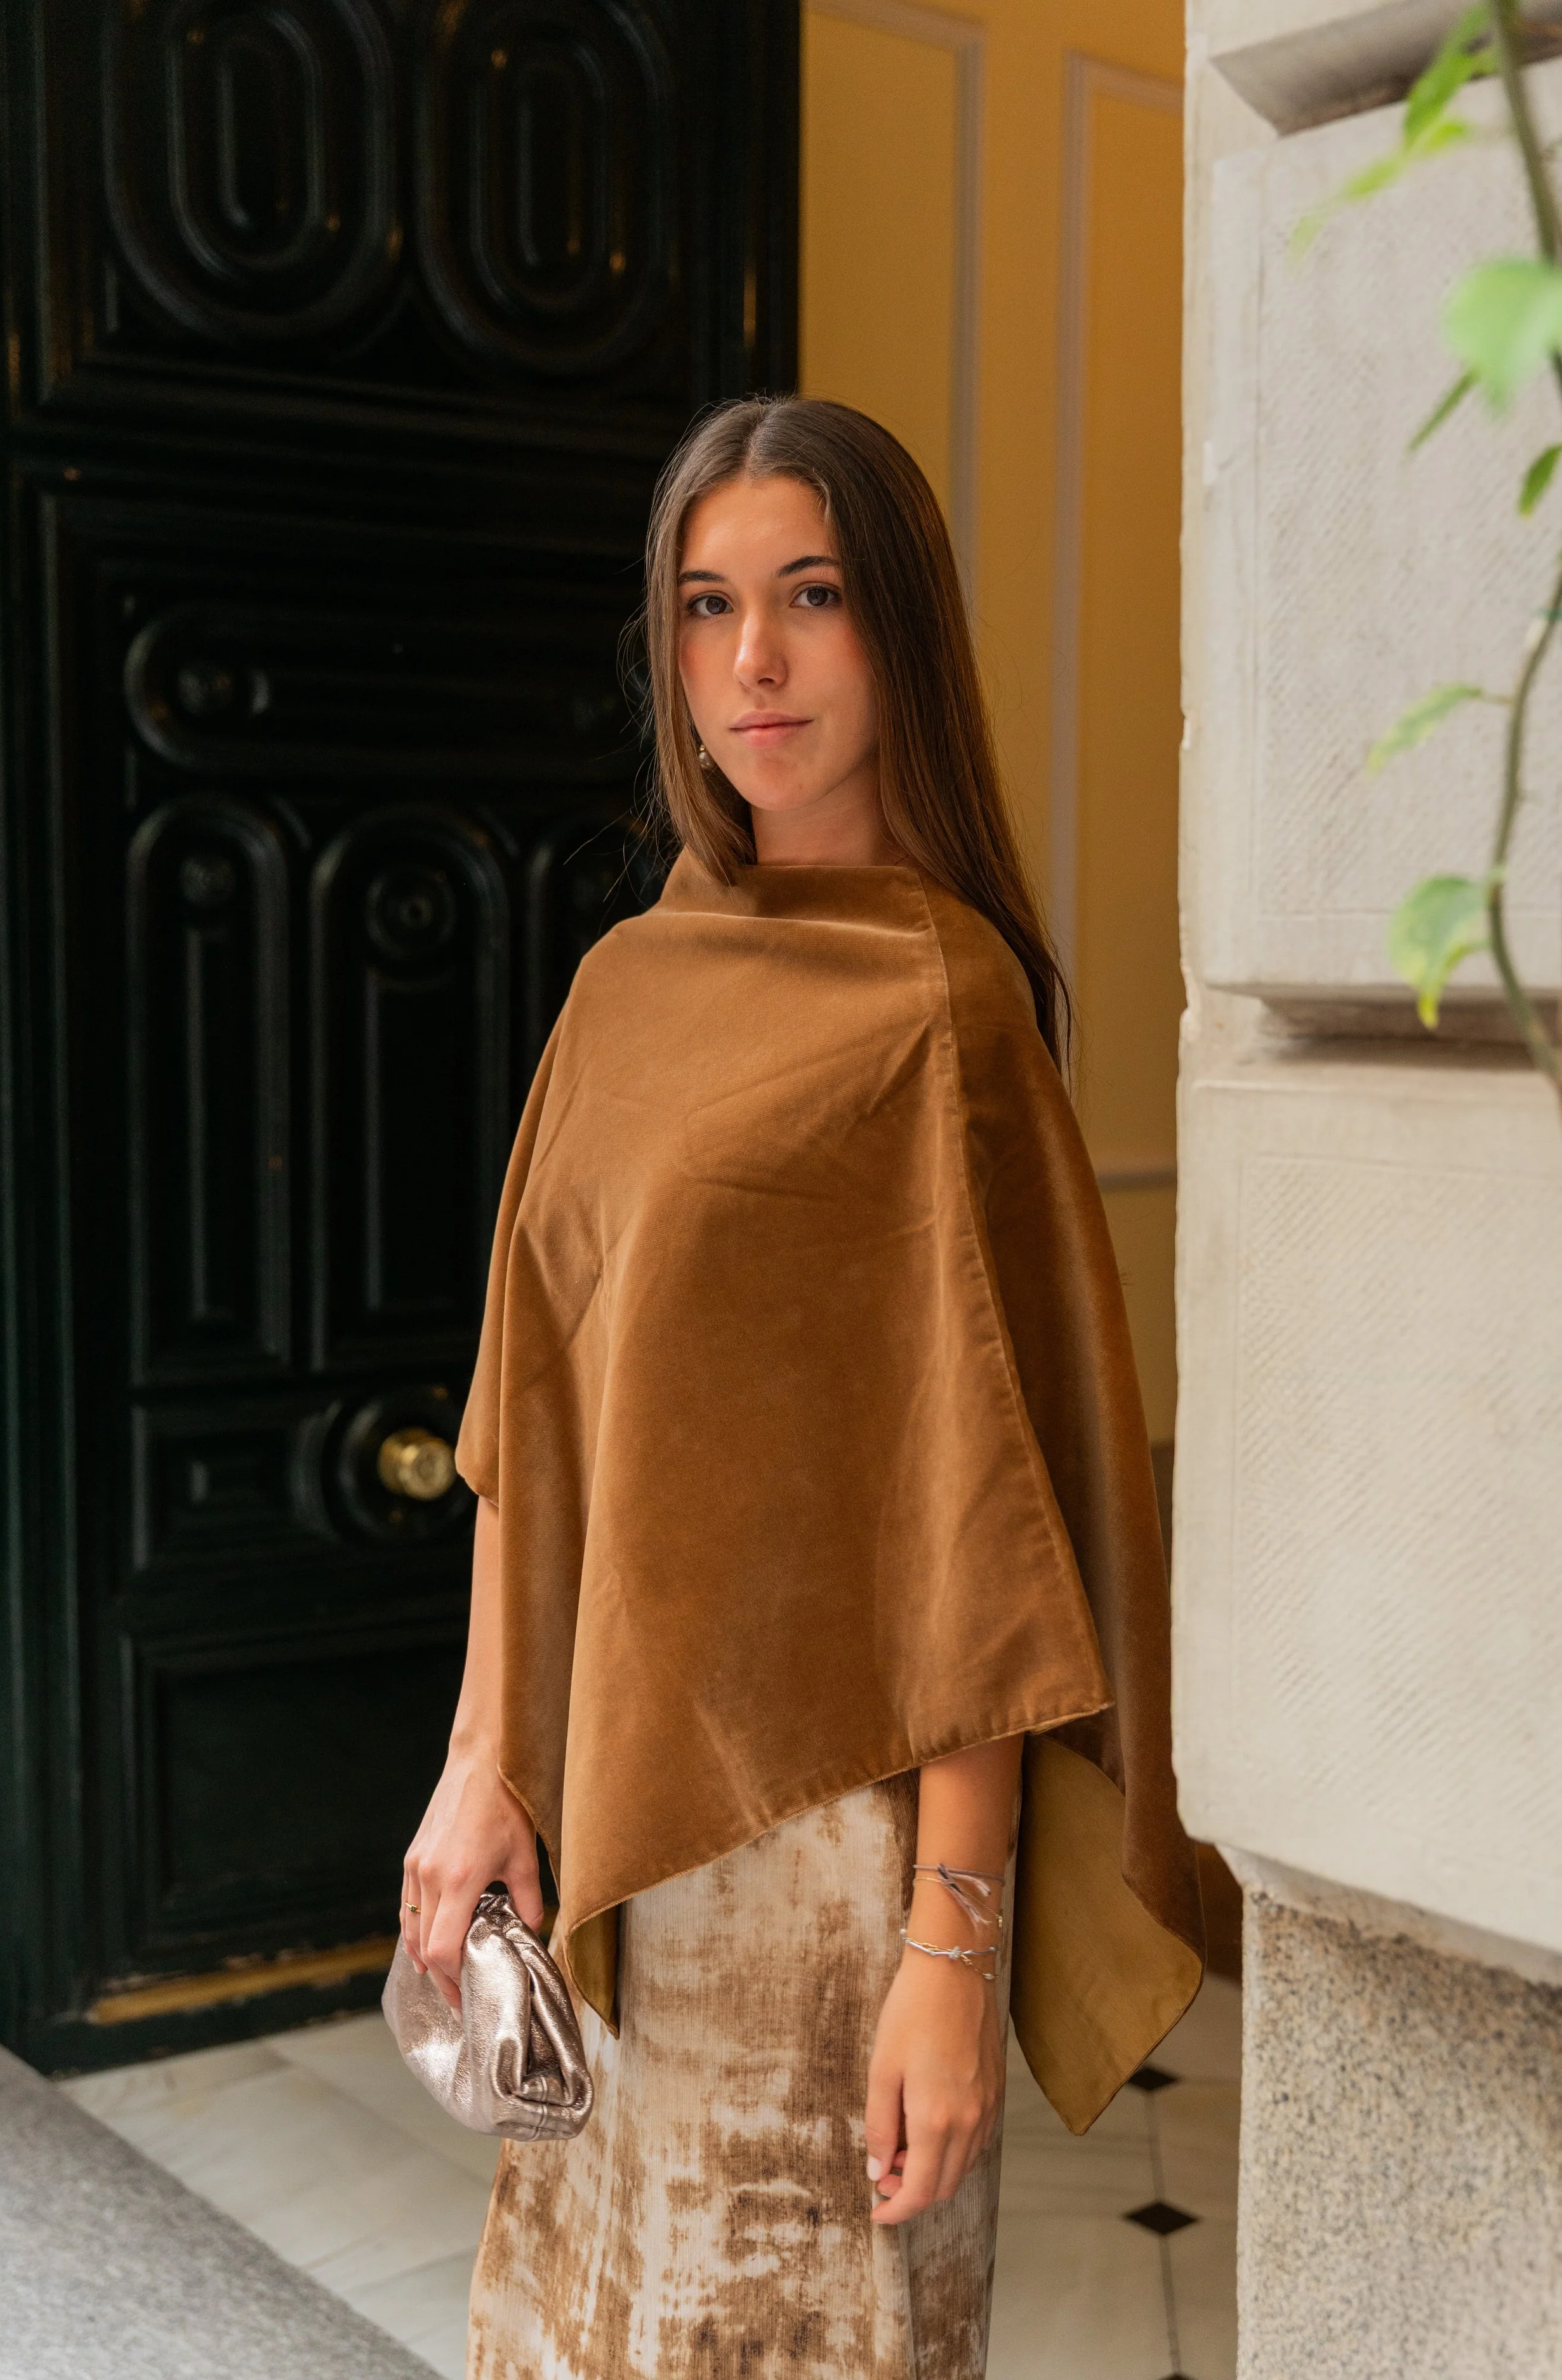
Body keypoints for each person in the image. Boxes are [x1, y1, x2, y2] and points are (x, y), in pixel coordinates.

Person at [400, 395, 1204, 2380]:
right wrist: (483, 1757)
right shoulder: (627, 985)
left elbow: (985, 1535)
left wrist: (953, 1940)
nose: (749, 661)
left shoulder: (948, 1006)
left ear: (897, 633)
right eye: (703, 605)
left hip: (832, 1880)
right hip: (608, 1822)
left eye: (810, 596)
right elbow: (534, 1404)